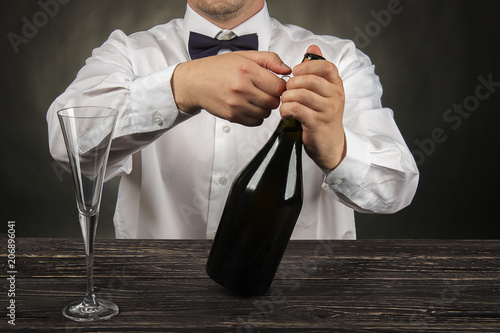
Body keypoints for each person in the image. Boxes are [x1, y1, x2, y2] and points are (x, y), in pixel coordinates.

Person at [47, 0, 419, 239]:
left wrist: (337, 148)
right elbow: (67, 145)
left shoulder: (339, 60)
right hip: (154, 298)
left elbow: (396, 191)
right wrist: (181, 87)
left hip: (300, 303)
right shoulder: (127, 53)